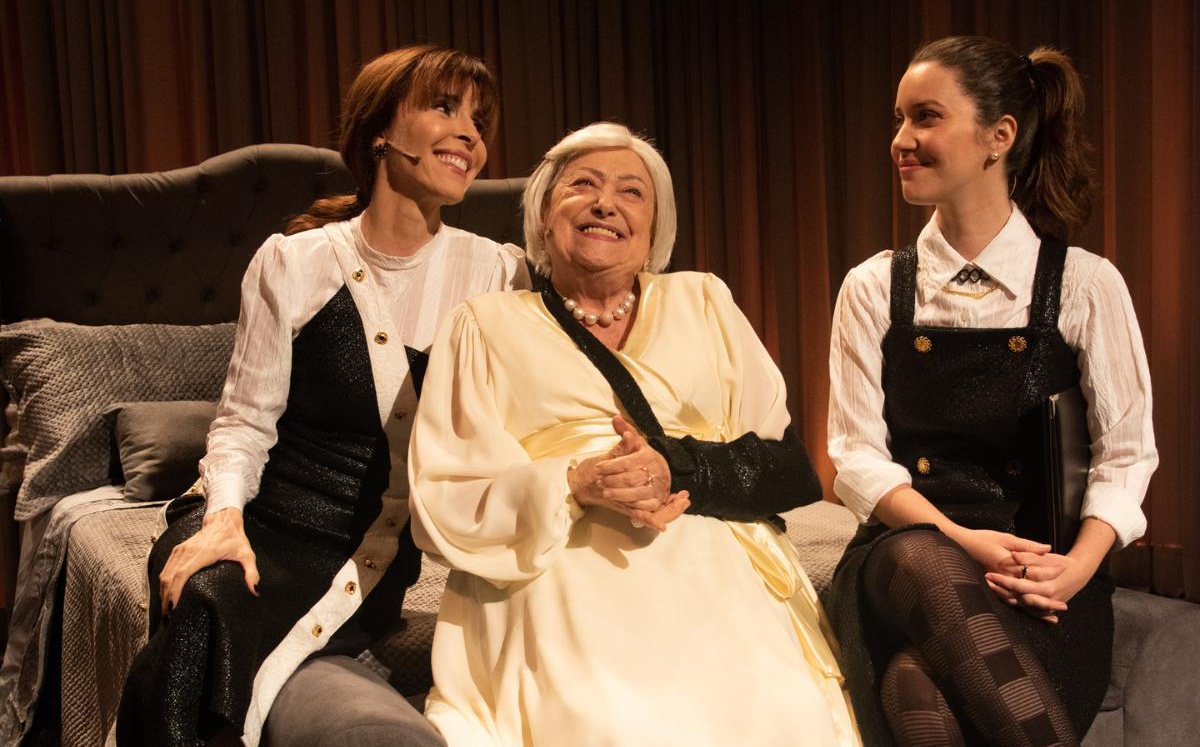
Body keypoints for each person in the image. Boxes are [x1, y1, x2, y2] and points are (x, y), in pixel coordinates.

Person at [118, 46, 529, 747]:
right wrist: (222, 520)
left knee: (213, 614)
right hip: (250, 519)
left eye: (479, 122)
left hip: (366, 554)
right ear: (380, 131)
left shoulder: (497, 274)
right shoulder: (293, 262)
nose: (470, 134)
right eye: (444, 108)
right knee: (207, 591)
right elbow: (244, 423)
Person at [407, 121, 861, 746]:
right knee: (609, 720)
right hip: (554, 563)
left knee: (779, 712)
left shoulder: (705, 301)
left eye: (631, 192)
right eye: (582, 185)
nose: (605, 204)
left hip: (712, 551)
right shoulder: (482, 325)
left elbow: (787, 469)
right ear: (543, 215)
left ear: (654, 228)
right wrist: (574, 483)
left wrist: (675, 469)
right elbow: (448, 493)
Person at [824, 36, 1157, 747]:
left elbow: (1127, 456)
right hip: (905, 556)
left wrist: (1075, 569)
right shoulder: (873, 287)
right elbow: (855, 457)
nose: (901, 140)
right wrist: (963, 541)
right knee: (923, 558)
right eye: (899, 119)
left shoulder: (1086, 285)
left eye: (926, 117)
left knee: (915, 688)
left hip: (1041, 575)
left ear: (998, 136)